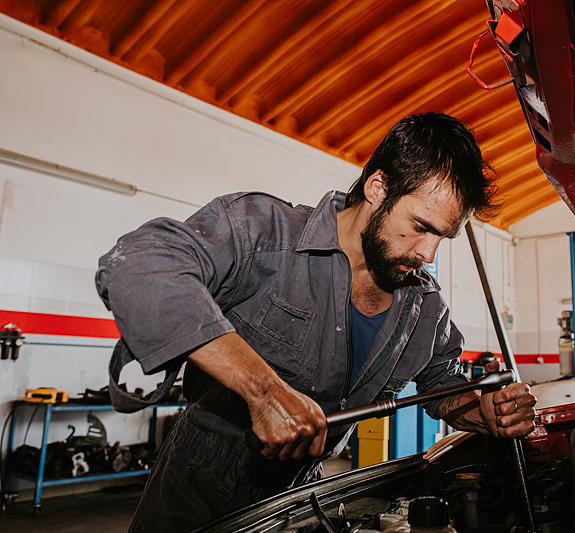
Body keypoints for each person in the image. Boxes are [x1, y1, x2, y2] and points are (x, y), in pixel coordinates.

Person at [96, 112, 537, 532]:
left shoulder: (424, 306)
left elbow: (443, 386)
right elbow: (138, 264)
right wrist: (263, 391)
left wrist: (480, 412)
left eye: (443, 236)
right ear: (378, 187)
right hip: (196, 490)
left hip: (302, 497)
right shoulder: (265, 235)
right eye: (421, 226)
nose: (429, 253)